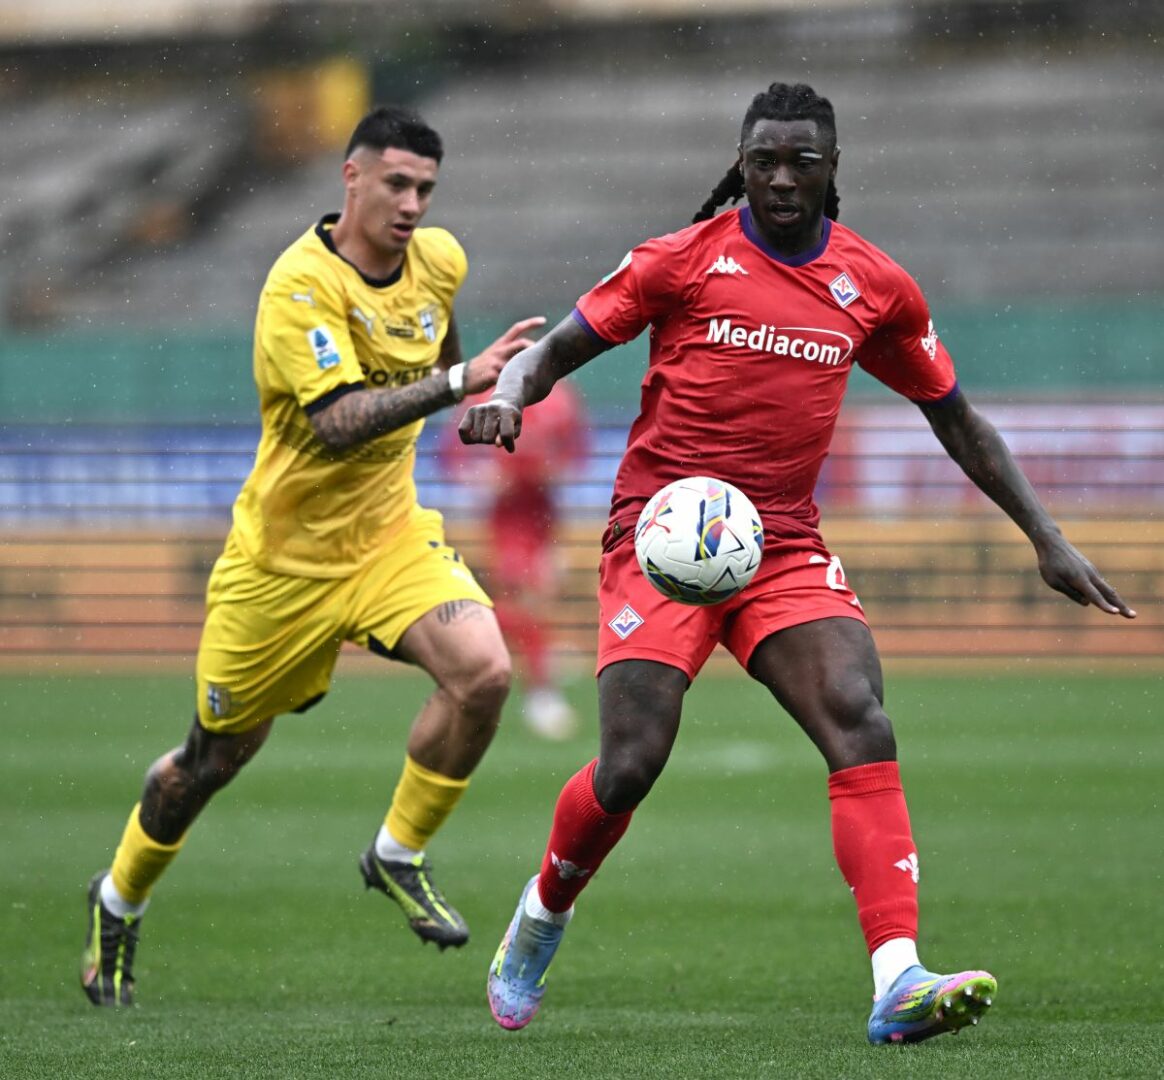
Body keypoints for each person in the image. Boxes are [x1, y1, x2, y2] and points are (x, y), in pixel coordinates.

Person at [458, 82, 1136, 1043]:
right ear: (740, 165)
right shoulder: (678, 261)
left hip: (779, 542)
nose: (780, 178)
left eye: (801, 162)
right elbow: (553, 352)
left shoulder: (874, 285)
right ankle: (542, 912)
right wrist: (510, 398)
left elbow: (954, 416)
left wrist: (1045, 535)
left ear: (832, 169)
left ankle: (898, 979)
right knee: (631, 763)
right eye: (763, 161)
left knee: (859, 717)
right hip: (660, 537)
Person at [80, 104, 545, 1006]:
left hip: (388, 539)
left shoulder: (440, 261)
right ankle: (118, 898)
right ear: (352, 177)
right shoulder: (299, 285)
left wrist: (477, 400)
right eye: (397, 184)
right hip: (280, 569)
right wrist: (459, 380)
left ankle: (397, 852)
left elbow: (442, 360)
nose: (412, 205)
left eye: (426, 189)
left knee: (485, 673)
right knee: (209, 763)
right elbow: (336, 424)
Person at [442, 380, 591, 740]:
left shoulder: (560, 396)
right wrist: (482, 478)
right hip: (507, 516)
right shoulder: (485, 397)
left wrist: (552, 471)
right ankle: (539, 691)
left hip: (544, 512)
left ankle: (487, 652)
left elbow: (577, 451)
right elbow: (453, 454)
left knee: (539, 598)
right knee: (520, 598)